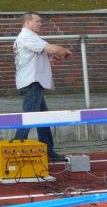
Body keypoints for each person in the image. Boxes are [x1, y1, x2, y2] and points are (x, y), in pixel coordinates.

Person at [12, 11, 72, 161]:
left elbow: (33, 59)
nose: (40, 23)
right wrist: (64, 51)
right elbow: (52, 49)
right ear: (27, 22)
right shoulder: (27, 36)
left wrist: (50, 59)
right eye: (37, 21)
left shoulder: (29, 37)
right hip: (32, 83)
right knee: (29, 118)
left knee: (43, 119)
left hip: (33, 82)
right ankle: (14, 151)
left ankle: (48, 151)